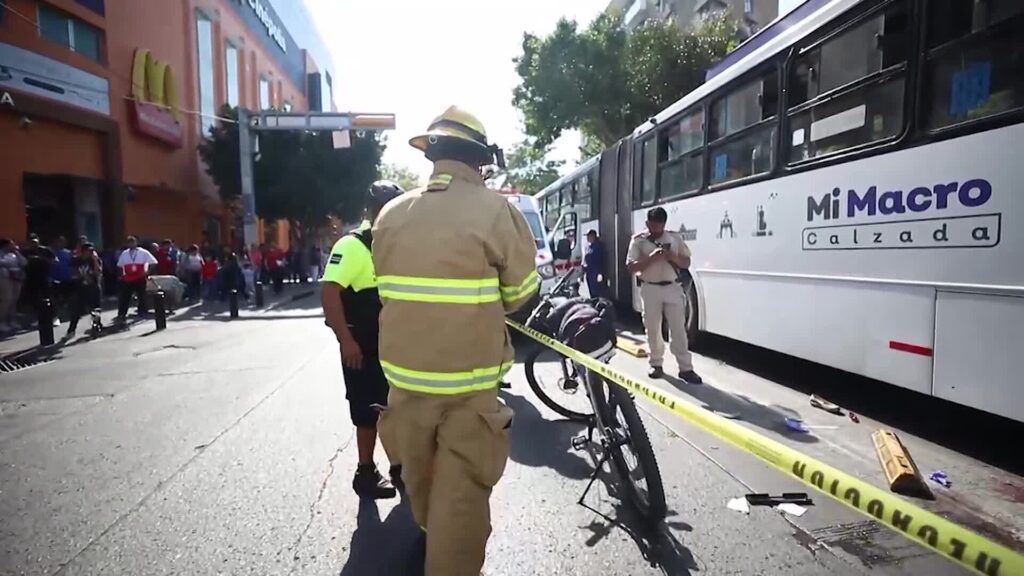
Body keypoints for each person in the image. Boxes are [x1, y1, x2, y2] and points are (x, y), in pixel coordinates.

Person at [373, 106, 538, 576]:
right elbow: (520, 295)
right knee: (460, 507)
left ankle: (429, 539)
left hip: (404, 386)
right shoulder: (495, 211)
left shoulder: (390, 214)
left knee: (421, 489)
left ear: (433, 154)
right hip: (468, 390)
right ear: (479, 161)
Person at [321, 180, 406, 499]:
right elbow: (330, 293)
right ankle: (365, 472)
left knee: (394, 409)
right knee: (366, 412)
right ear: (371, 209)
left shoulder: (396, 243)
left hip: (394, 347)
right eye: (384, 206)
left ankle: (400, 467)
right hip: (362, 348)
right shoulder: (352, 245)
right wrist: (346, 341)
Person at [626, 207, 702, 384]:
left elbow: (686, 262)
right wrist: (651, 258)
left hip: (672, 288)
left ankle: (686, 368)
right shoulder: (638, 241)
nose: (656, 229)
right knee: (652, 328)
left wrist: (672, 257)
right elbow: (631, 266)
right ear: (647, 224)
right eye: (653, 226)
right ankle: (656, 364)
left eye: (659, 226)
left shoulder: (674, 238)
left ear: (664, 224)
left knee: (678, 329)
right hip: (650, 288)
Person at [115, 236, 157, 324]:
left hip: (140, 277)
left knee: (142, 295)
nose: (131, 244)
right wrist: (121, 275)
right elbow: (119, 265)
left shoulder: (143, 252)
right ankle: (122, 314)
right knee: (125, 297)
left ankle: (142, 312)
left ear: (136, 242)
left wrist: (147, 272)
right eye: (129, 242)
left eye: (133, 242)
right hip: (128, 278)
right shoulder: (124, 253)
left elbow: (153, 262)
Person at [65, 242, 103, 338]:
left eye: (91, 251)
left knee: (95, 310)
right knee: (76, 311)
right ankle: (71, 331)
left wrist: (95, 260)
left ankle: (96, 328)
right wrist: (85, 276)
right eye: (87, 251)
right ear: (82, 252)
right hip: (80, 288)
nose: (89, 253)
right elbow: (74, 274)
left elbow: (98, 273)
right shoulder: (76, 260)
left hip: (93, 287)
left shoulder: (95, 260)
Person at [0, 239, 27, 333]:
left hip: (16, 278)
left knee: (14, 300)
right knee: (7, 299)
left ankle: (12, 320)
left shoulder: (14, 254)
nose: (13, 245)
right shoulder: (1, 253)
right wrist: (9, 265)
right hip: (4, 277)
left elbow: (24, 262)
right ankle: (2, 320)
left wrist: (17, 253)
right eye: (11, 244)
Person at [583, 230, 607, 299]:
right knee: (591, 291)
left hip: (596, 272)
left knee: (598, 291)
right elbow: (585, 258)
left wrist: (600, 273)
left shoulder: (599, 246)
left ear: (593, 236)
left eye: (588, 236)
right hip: (589, 272)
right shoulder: (588, 246)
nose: (587, 238)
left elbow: (602, 260)